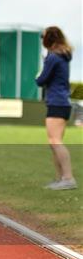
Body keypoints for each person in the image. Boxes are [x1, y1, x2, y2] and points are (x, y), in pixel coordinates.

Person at [36, 26, 77, 190]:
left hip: (57, 102)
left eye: (42, 37)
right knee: (53, 142)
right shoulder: (62, 55)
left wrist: (39, 74)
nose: (41, 39)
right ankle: (61, 178)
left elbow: (41, 80)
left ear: (48, 39)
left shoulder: (53, 57)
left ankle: (68, 178)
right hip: (61, 102)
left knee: (55, 141)